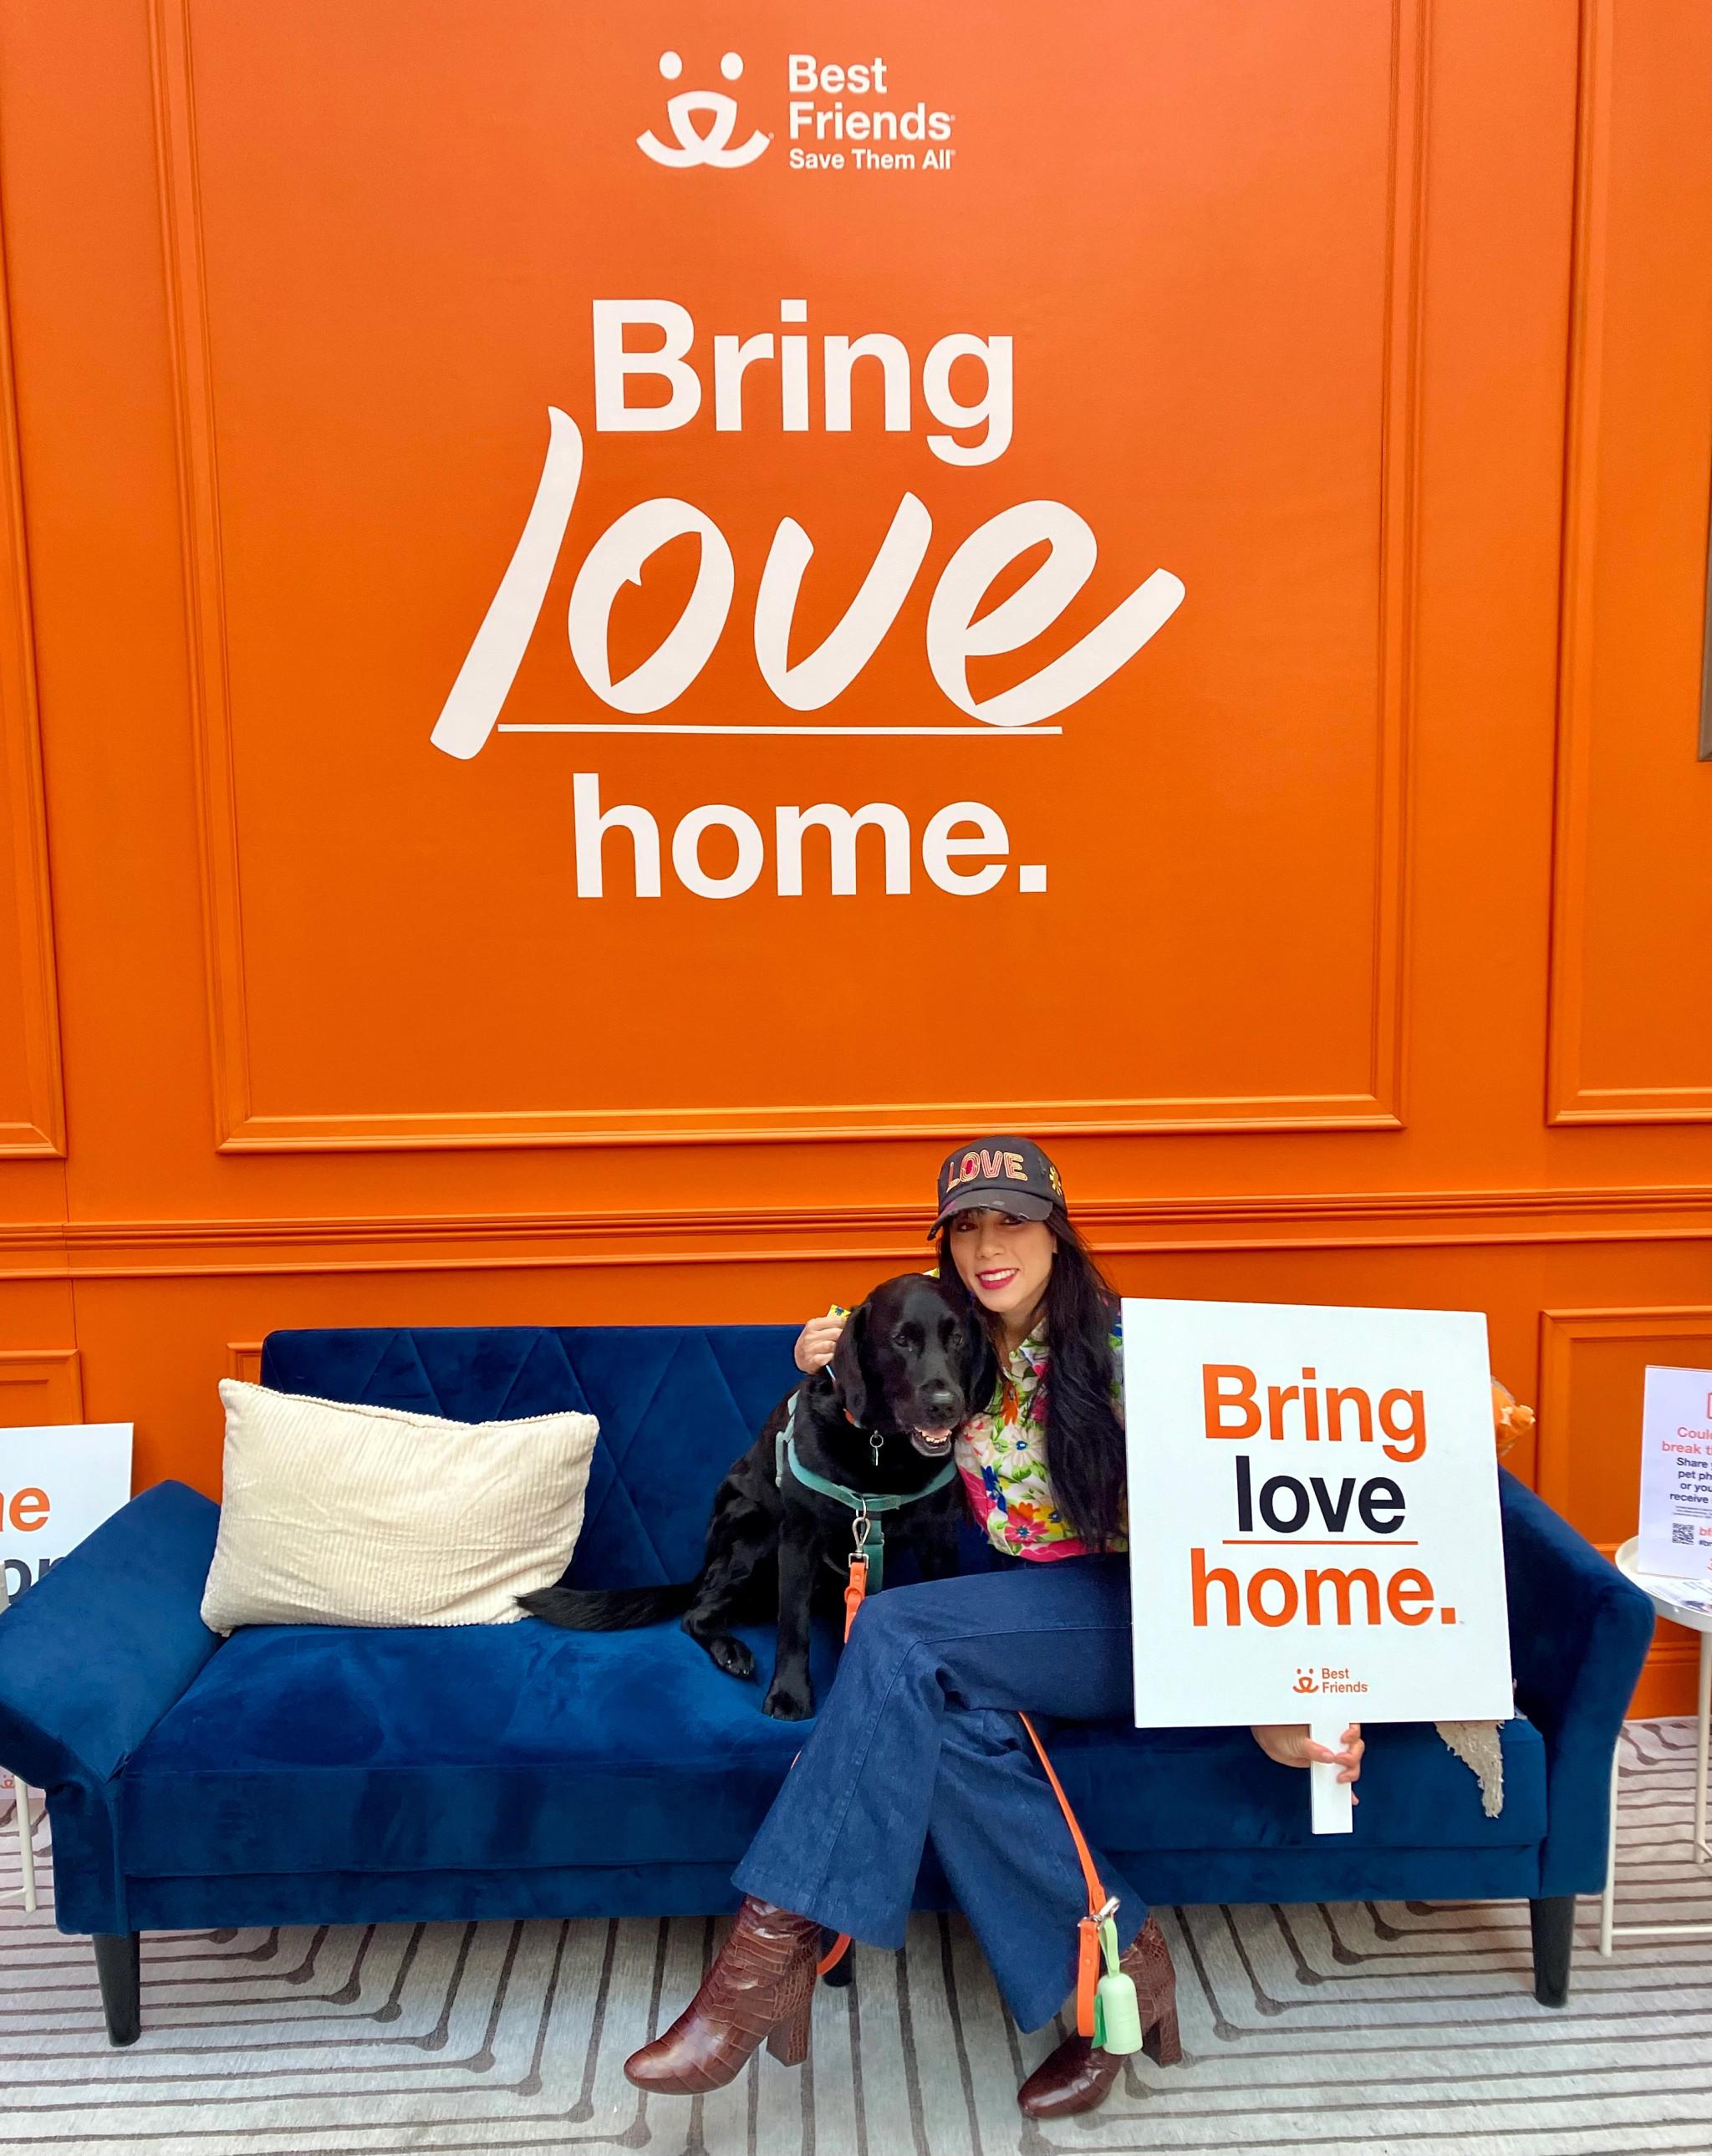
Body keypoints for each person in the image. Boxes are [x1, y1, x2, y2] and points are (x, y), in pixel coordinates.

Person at [623, 1135, 1364, 2118]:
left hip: (1133, 1609)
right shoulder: (953, 1341)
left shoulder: (1125, 1350)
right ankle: (1120, 1971)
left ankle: (759, 1966)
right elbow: (856, 1377)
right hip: (1022, 1612)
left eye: (1010, 1222)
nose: (986, 1247)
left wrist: (1267, 1692)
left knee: (896, 1635)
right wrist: (824, 1352)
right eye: (966, 1227)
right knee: (941, 1726)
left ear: (1055, 1234)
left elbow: (1230, 1518)